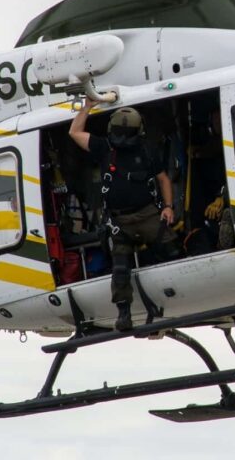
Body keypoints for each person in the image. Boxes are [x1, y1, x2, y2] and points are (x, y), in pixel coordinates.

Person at [69, 98, 178, 331]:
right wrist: (87, 106)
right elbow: (74, 132)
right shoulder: (104, 148)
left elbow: (163, 179)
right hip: (119, 221)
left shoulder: (147, 150)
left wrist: (168, 207)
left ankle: (176, 294)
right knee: (120, 268)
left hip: (148, 214)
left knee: (173, 250)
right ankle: (124, 313)